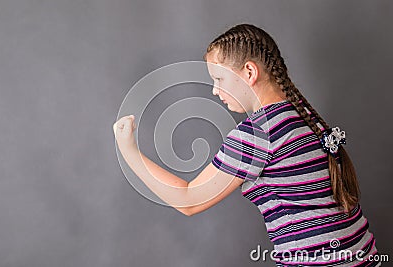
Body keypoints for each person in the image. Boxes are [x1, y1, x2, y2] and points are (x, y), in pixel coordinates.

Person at [113, 24, 381, 266]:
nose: (215, 91)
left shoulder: (257, 135)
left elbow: (189, 200)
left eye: (219, 79)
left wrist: (129, 151)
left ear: (249, 72)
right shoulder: (303, 115)